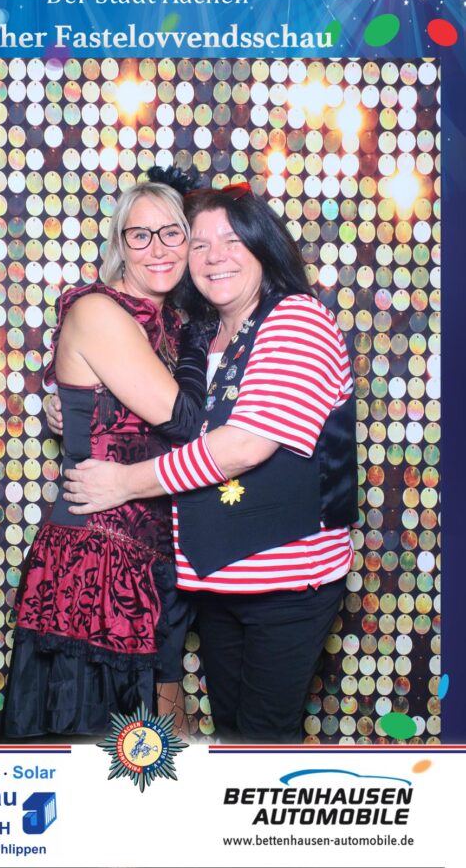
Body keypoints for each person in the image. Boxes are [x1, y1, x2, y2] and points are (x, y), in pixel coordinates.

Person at [62, 187, 358, 744]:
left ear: (263, 247)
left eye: (231, 240)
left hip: (286, 582)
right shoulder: (200, 335)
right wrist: (73, 405)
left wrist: (124, 483)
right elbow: (150, 405)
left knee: (263, 742)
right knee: (230, 736)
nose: (215, 255)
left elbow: (244, 444)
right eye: (199, 244)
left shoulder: (297, 320)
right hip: (216, 581)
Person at [2, 169, 207, 739]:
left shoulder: (169, 323)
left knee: (159, 751)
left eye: (171, 233)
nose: (158, 249)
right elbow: (184, 421)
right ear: (120, 244)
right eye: (140, 235)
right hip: (96, 561)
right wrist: (199, 335)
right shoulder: (100, 311)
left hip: (160, 561)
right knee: (93, 752)